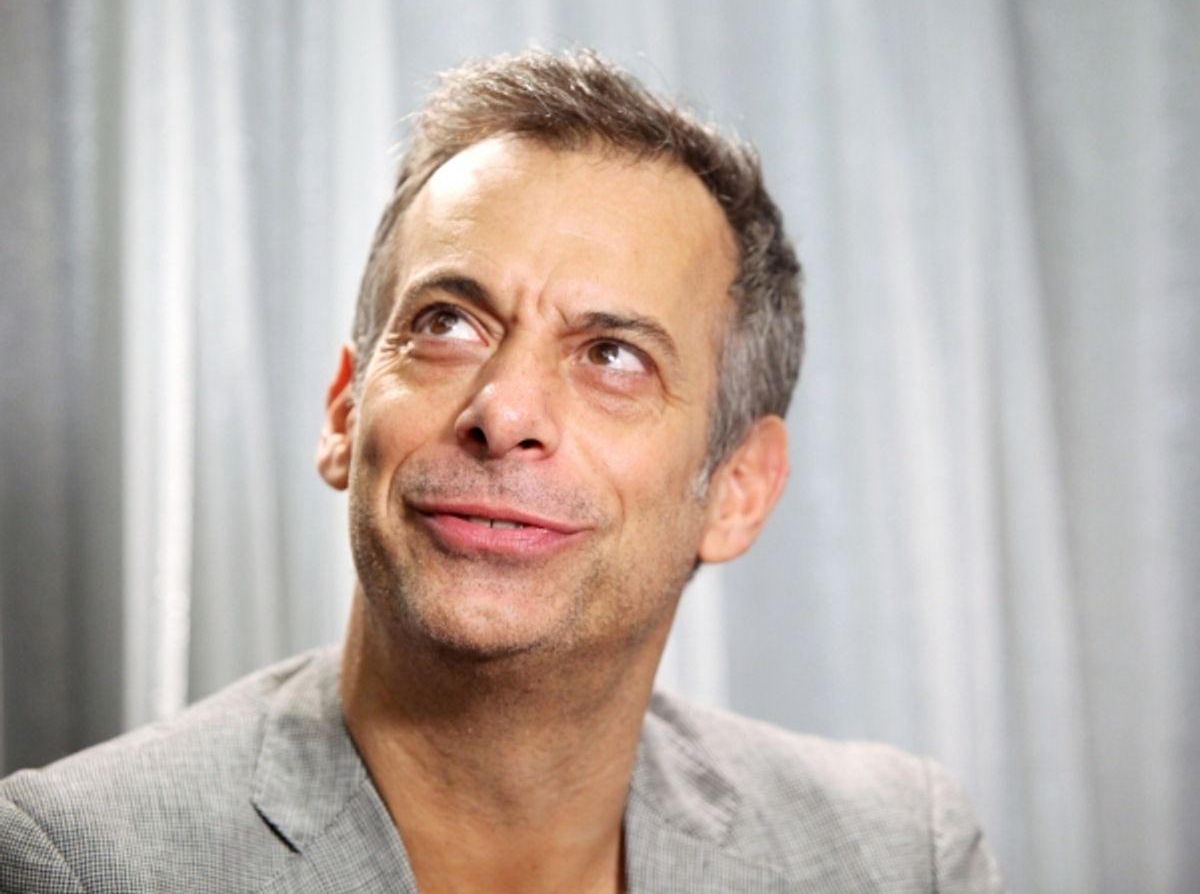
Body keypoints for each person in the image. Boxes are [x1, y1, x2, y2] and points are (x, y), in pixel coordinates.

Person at [0, 49, 1005, 893]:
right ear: (346, 411)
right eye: (447, 323)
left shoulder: (897, 855)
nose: (503, 413)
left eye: (612, 354)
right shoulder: (76, 863)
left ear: (738, 489)